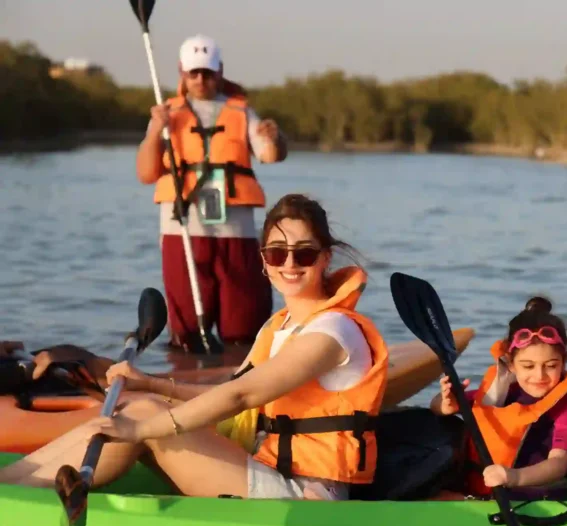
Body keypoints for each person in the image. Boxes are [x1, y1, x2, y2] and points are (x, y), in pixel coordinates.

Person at [0, 194, 388, 501]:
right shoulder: (279, 325)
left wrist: (142, 429)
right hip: (267, 466)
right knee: (135, 407)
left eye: (303, 253)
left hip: (308, 496)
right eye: (276, 253)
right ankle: (11, 484)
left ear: (325, 257)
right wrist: (151, 384)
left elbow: (241, 395)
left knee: (145, 420)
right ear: (264, 262)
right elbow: (226, 394)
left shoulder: (333, 330)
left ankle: (17, 499)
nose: (289, 263)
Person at [136, 34, 288, 353]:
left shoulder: (241, 112)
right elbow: (146, 174)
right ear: (182, 71)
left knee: (244, 325)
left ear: (220, 70)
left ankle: (245, 388)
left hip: (236, 231)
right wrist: (154, 131)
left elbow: (271, 155)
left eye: (207, 72)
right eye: (194, 73)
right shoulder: (166, 114)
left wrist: (276, 138)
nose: (201, 79)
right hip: (183, 230)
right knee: (187, 333)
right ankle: (187, 386)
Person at [430, 297, 567, 500]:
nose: (539, 376)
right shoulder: (499, 394)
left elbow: (558, 464)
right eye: (528, 366)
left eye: (551, 365)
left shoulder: (565, 409)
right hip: (486, 495)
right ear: (510, 364)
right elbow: (436, 408)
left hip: (538, 499)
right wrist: (445, 403)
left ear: (564, 362)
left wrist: (513, 477)